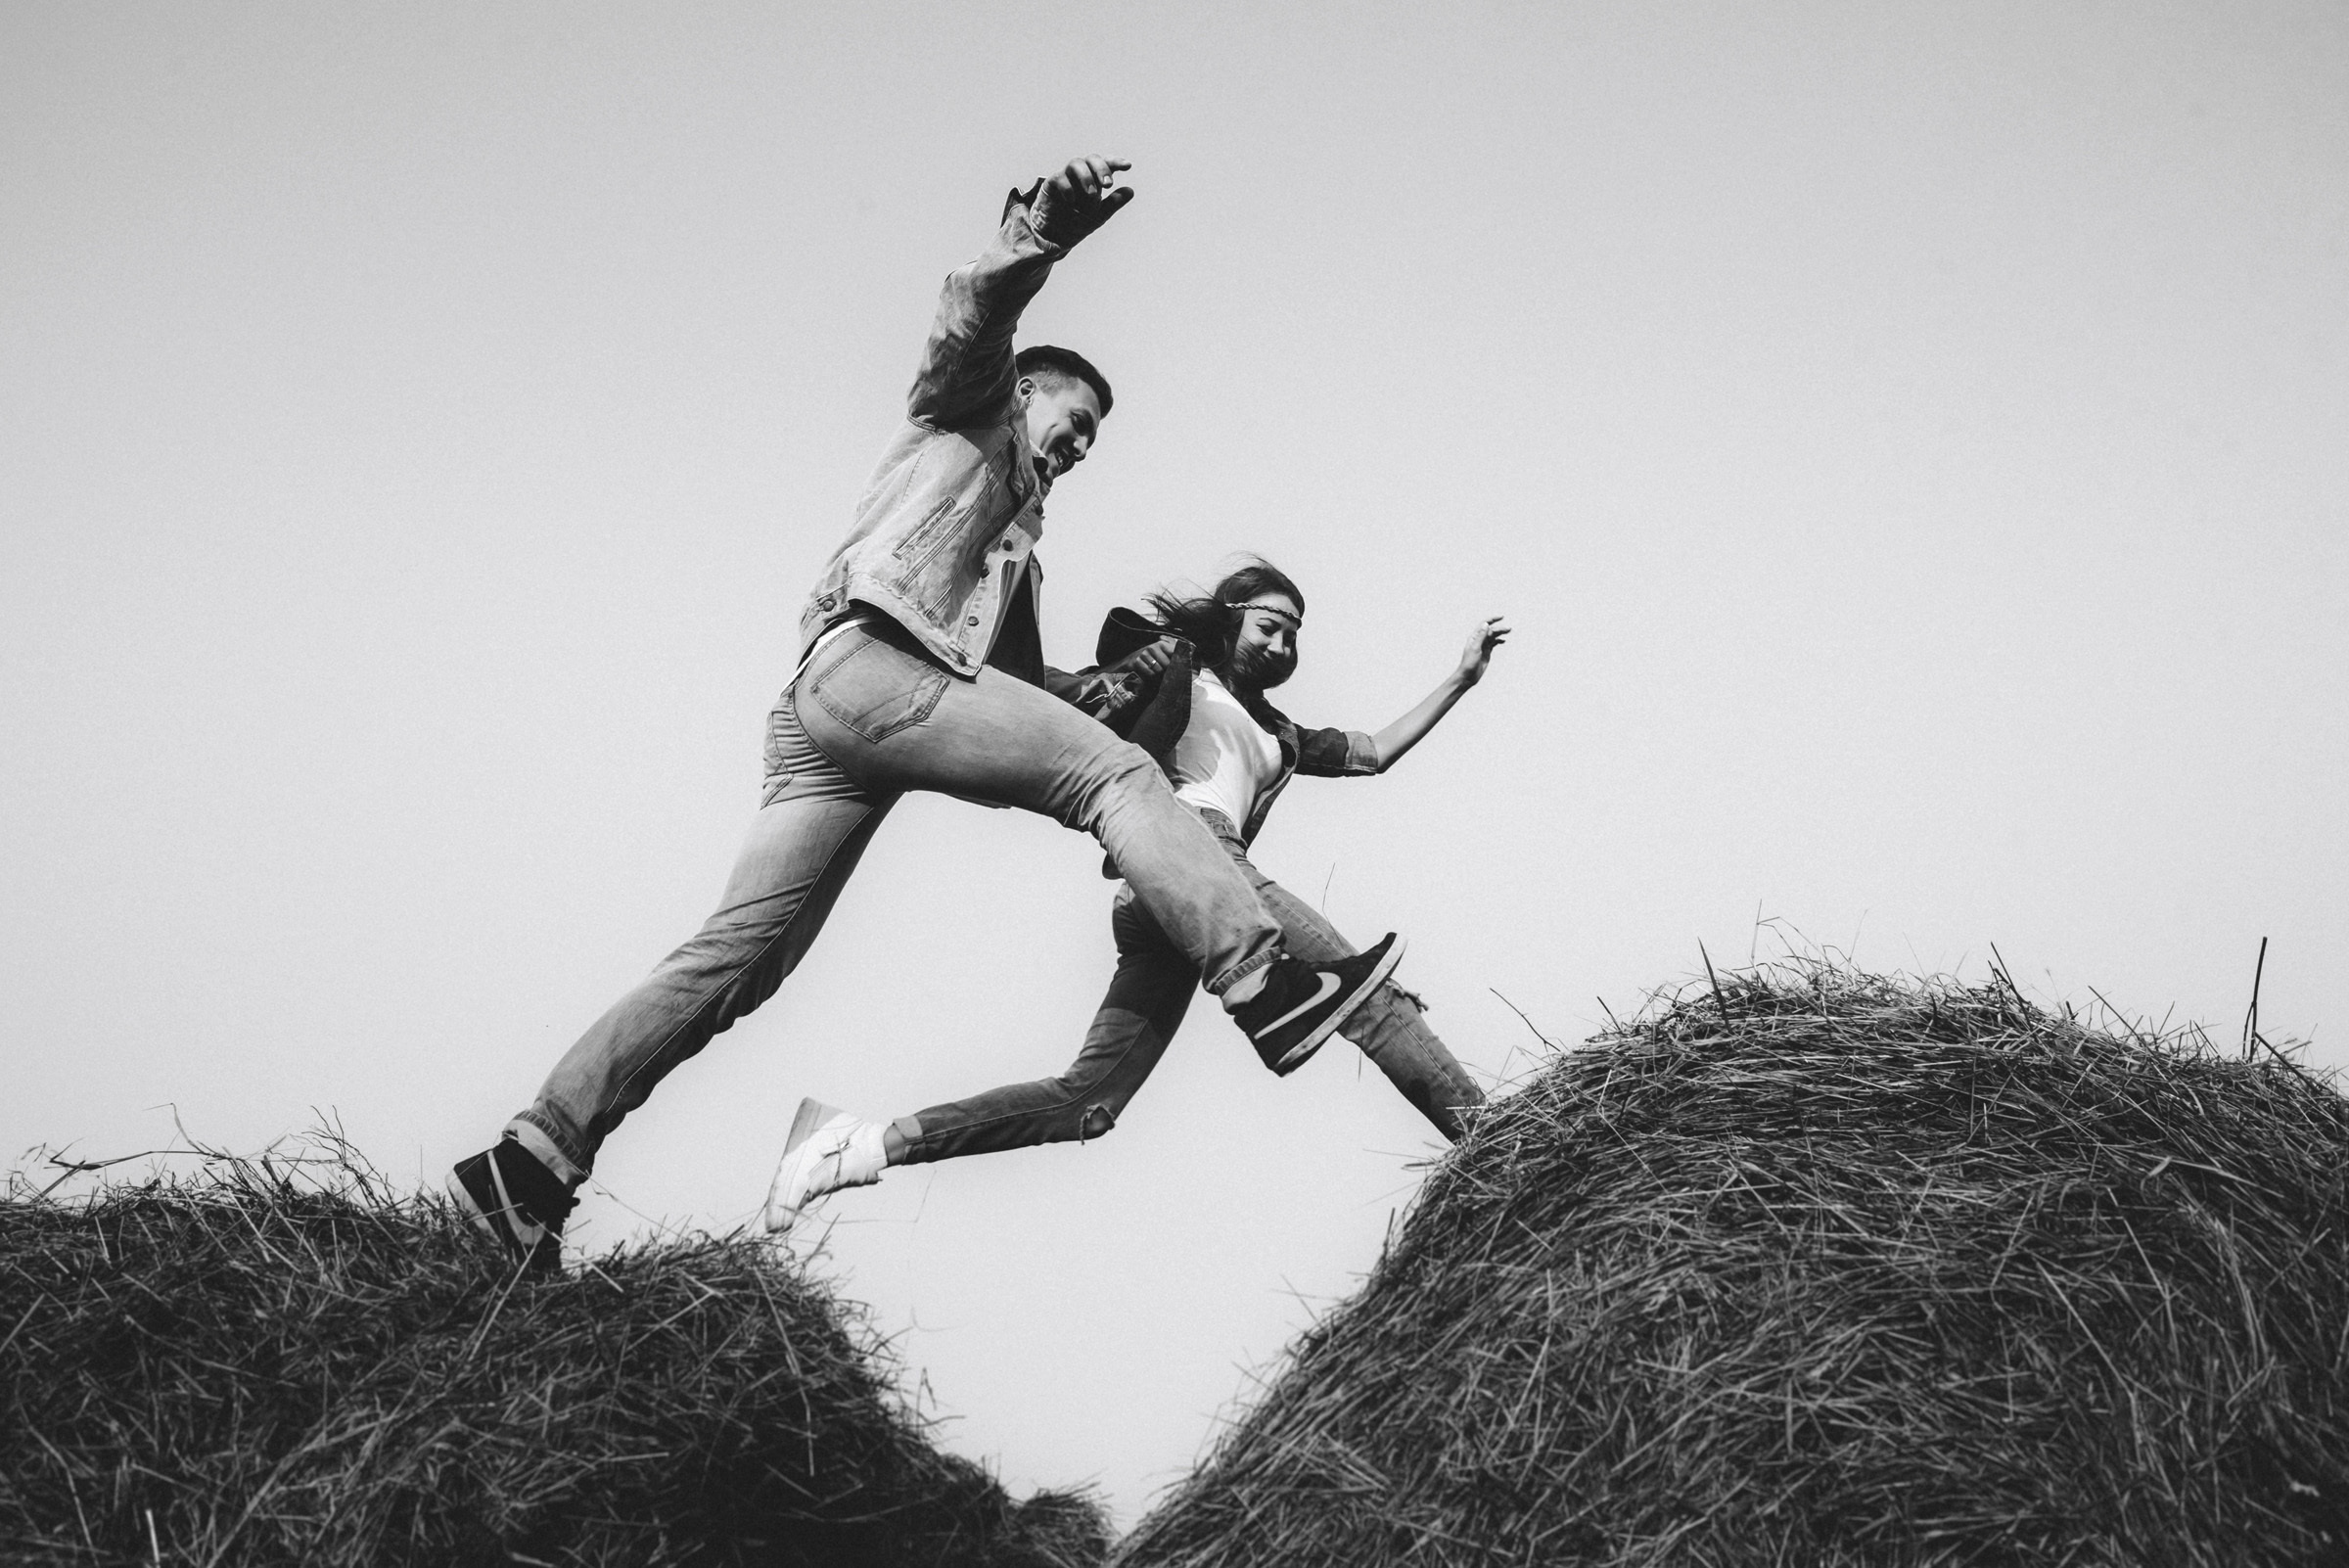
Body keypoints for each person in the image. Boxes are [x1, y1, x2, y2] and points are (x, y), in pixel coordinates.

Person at [450, 161, 1404, 1271]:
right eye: (1074, 421)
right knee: (1118, 781)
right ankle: (1263, 981)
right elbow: (970, 322)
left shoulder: (1020, 551)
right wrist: (1035, 239)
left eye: (1092, 442)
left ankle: (530, 1162)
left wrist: (1104, 691)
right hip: (872, 669)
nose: (1077, 447)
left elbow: (1020, 696)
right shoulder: (971, 414)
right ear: (1027, 392)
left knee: (738, 965)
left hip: (833, 721)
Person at [762, 559, 1506, 1232]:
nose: (1282, 646)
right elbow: (1044, 688)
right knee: (1366, 997)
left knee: (1087, 1101)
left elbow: (1372, 753)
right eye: (1270, 626)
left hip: (1182, 905)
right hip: (1192, 854)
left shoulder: (1279, 730)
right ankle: (1503, 1150)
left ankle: (858, 1145)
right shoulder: (1170, 666)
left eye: (1294, 638)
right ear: (1229, 618)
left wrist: (1461, 679)